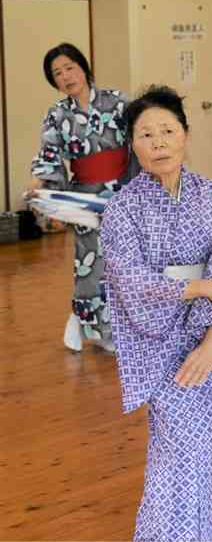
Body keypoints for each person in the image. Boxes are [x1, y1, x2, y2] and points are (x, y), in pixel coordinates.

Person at [100, 86, 212, 541]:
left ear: (186, 135)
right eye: (146, 135)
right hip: (157, 342)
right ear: (133, 145)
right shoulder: (122, 208)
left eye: (168, 130)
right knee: (180, 452)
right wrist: (201, 285)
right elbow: (130, 281)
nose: (159, 142)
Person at [28, 43, 135, 353]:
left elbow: (143, 135)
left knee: (128, 264)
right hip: (86, 198)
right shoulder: (57, 114)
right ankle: (99, 330)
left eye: (69, 67)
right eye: (57, 73)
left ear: (84, 68)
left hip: (125, 194)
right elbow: (48, 158)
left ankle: (125, 325)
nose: (65, 76)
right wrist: (39, 185)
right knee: (92, 265)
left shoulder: (117, 102)